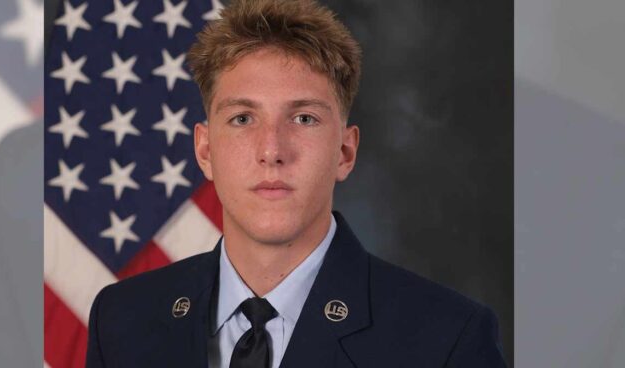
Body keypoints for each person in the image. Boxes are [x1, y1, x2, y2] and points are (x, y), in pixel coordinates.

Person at [85, 0, 506, 367]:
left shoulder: (447, 339)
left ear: (345, 151)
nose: (272, 150)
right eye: (242, 118)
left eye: (303, 118)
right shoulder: (123, 321)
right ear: (205, 151)